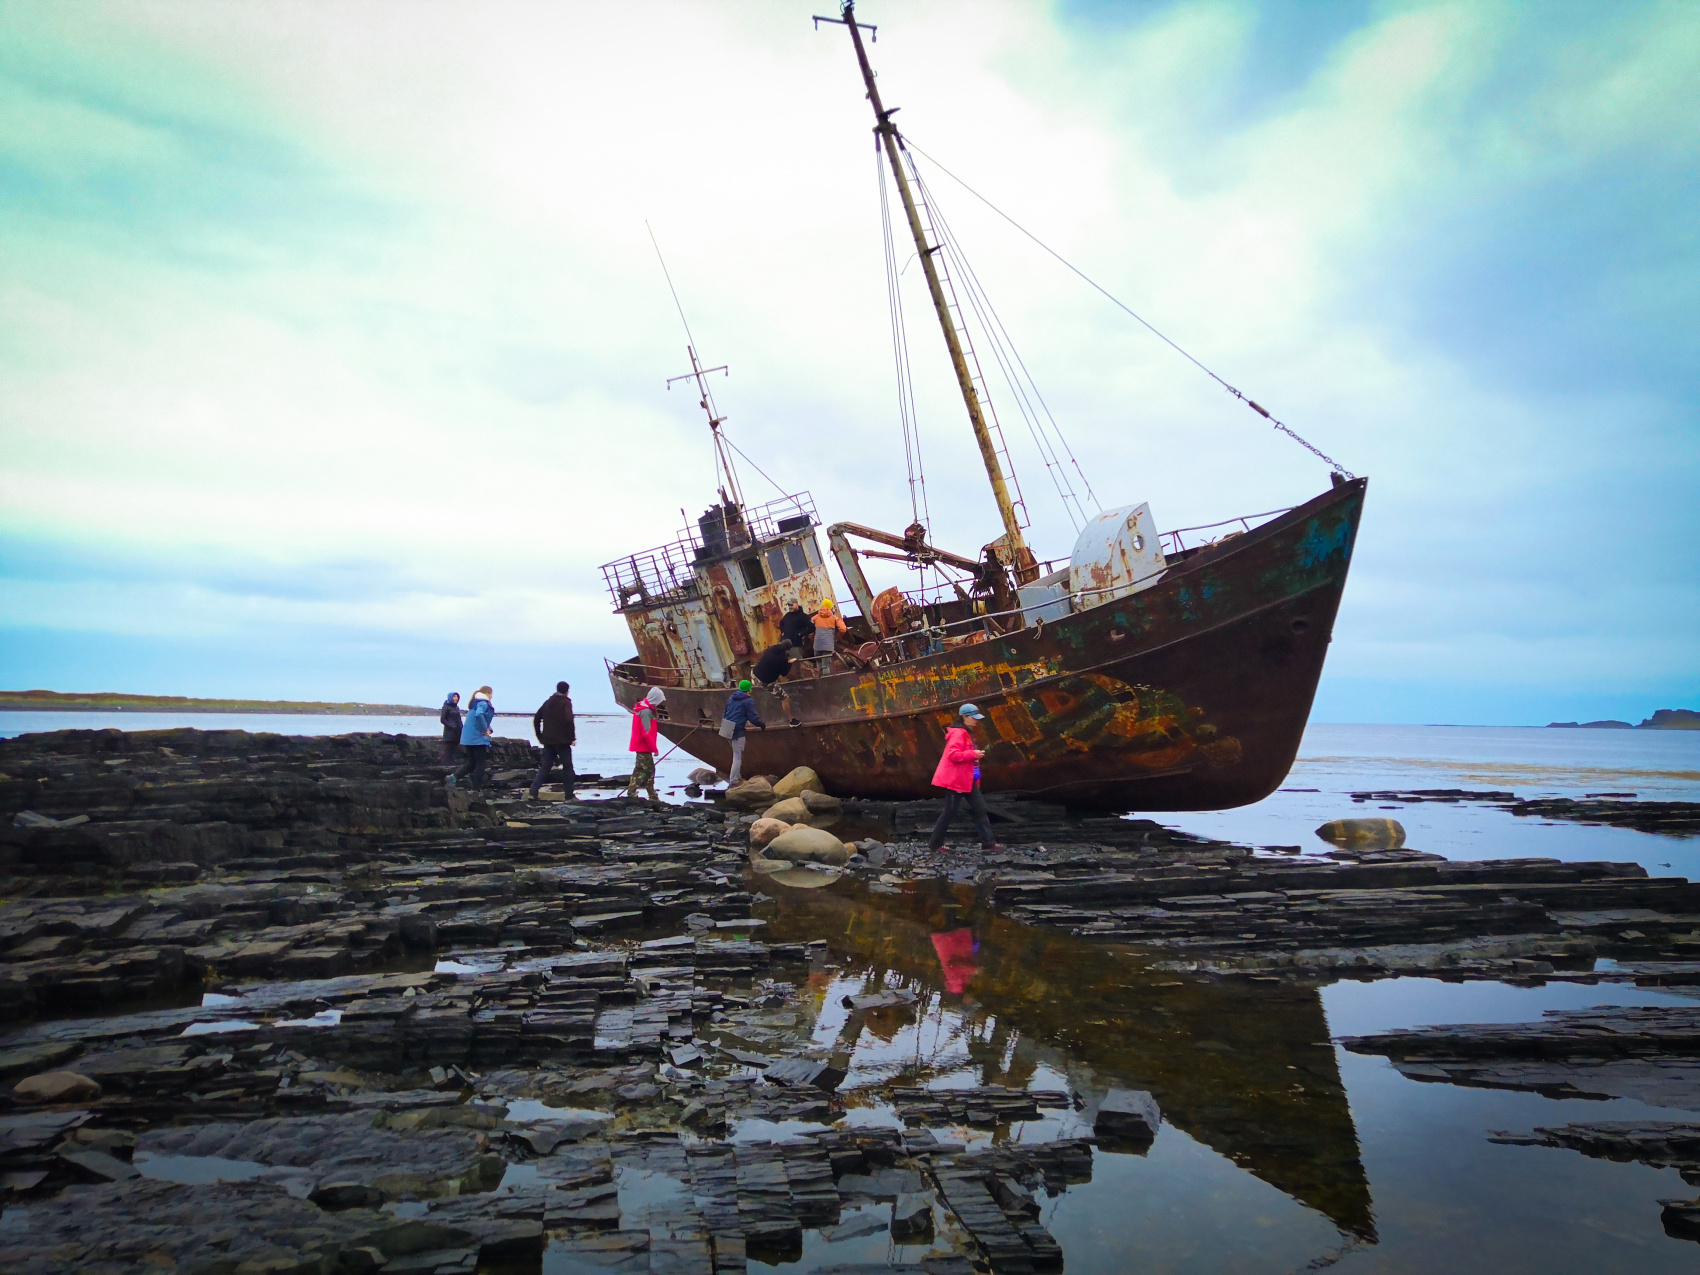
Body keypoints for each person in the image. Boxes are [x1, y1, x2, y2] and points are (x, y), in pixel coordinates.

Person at [928, 702, 1000, 852]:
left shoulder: (966, 732)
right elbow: (952, 755)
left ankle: (989, 844)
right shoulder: (959, 733)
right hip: (956, 781)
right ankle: (935, 844)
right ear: (964, 717)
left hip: (967, 780)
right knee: (949, 812)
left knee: (980, 808)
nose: (976, 720)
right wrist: (973, 754)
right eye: (973, 717)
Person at [528, 680, 576, 801]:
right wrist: (572, 738)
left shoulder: (548, 702)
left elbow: (536, 719)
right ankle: (569, 795)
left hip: (548, 741)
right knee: (567, 767)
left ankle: (532, 792)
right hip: (563, 741)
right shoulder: (565, 703)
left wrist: (540, 737)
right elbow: (569, 721)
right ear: (567, 691)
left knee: (545, 767)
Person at [721, 679, 766, 784]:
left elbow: (725, 712)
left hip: (726, 727)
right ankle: (734, 780)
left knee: (736, 753)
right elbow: (753, 718)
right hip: (737, 729)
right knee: (737, 756)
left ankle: (738, 777)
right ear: (749, 688)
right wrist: (761, 724)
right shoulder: (748, 701)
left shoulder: (731, 697)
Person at [625, 685, 665, 803]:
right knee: (645, 770)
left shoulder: (643, 707)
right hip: (644, 746)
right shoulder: (646, 711)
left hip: (641, 745)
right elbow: (646, 732)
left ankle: (648, 793)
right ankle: (635, 792)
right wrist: (654, 748)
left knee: (644, 769)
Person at [451, 686, 495, 789]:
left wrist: (489, 728)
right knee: (480, 765)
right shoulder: (483, 703)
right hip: (477, 739)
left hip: (467, 738)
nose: (492, 696)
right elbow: (479, 715)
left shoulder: (474, 703)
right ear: (487, 693)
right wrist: (485, 730)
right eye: (491, 694)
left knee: (472, 762)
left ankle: (454, 777)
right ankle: (476, 789)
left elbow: (479, 718)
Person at [811, 600, 847, 672]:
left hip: (817, 645)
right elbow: (843, 629)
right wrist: (838, 636)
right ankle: (826, 681)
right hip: (828, 646)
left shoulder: (815, 617)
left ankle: (819, 679)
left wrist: (813, 637)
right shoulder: (834, 618)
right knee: (826, 665)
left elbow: (809, 628)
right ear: (831, 608)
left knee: (818, 663)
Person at [439, 691, 462, 764]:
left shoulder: (457, 707)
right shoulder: (446, 706)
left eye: (457, 697)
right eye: (454, 696)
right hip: (449, 731)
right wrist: (451, 726)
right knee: (447, 747)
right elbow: (442, 719)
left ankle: (451, 761)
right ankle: (445, 762)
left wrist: (462, 727)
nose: (456, 698)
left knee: (454, 747)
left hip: (457, 730)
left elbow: (459, 718)